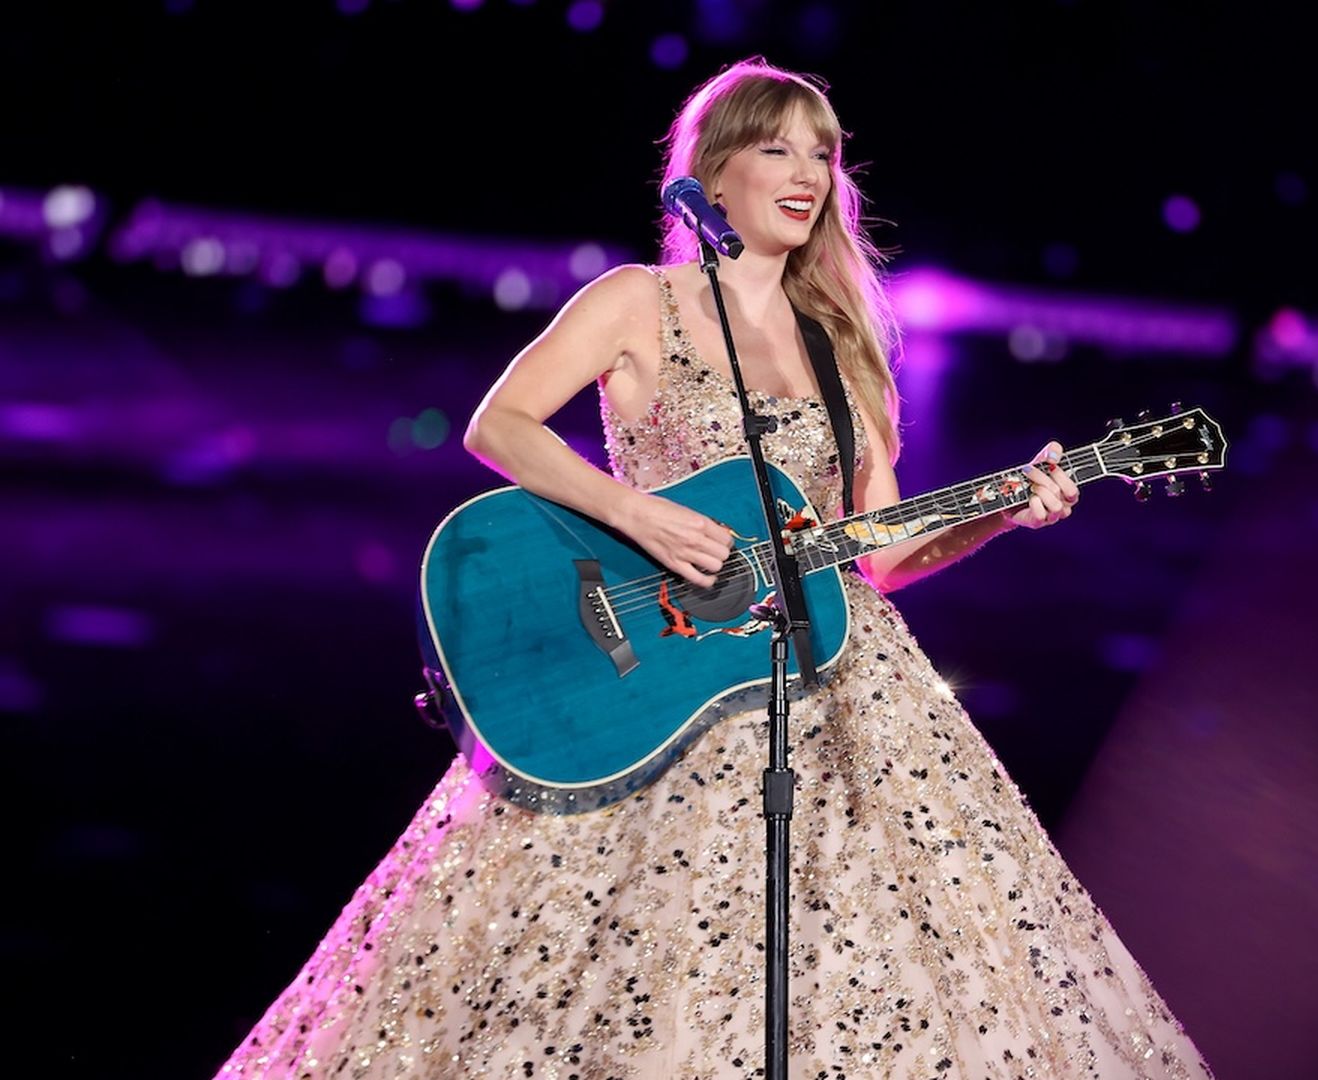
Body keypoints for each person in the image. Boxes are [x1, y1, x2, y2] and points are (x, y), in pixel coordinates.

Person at [218, 59, 1212, 1079]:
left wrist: (1000, 514)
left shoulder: (843, 343)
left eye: (822, 152)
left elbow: (880, 549)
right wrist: (635, 514)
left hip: (835, 701)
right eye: (777, 145)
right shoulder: (636, 301)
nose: (807, 171)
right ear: (714, 170)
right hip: (651, 684)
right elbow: (499, 425)